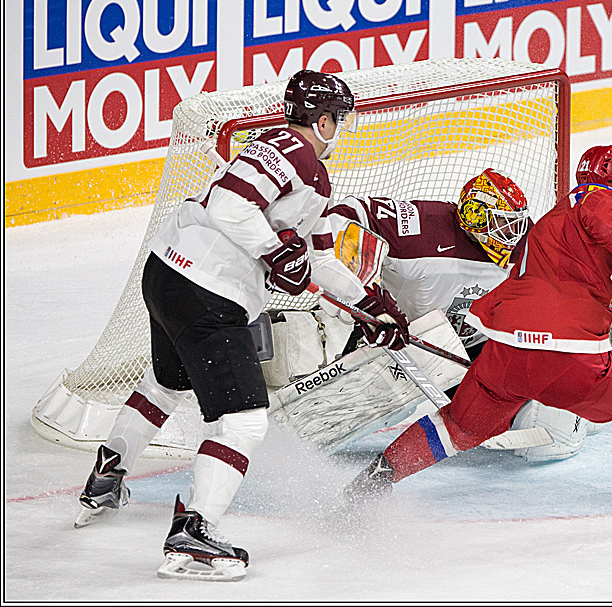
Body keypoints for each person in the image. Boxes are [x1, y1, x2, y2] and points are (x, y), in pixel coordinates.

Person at [74, 69, 404, 582]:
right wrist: (276, 252)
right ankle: (194, 535)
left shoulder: (279, 151)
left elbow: (314, 257)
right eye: (339, 120)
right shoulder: (299, 155)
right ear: (323, 120)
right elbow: (232, 206)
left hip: (168, 272)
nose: (341, 128)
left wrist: (370, 303)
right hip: (206, 290)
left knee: (166, 383)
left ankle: (108, 473)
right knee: (245, 419)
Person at [343, 144, 612, 523]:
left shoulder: (554, 235)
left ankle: (375, 478)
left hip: (504, 352)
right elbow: (596, 206)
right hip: (568, 353)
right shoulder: (592, 204)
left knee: (460, 426)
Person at [279, 169, 602, 462]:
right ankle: (281, 448)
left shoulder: (528, 243)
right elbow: (349, 213)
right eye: (503, 223)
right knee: (337, 413)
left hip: (478, 348)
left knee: (542, 436)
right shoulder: (422, 227)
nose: (513, 233)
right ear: (476, 218)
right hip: (402, 337)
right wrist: (357, 280)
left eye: (515, 222)